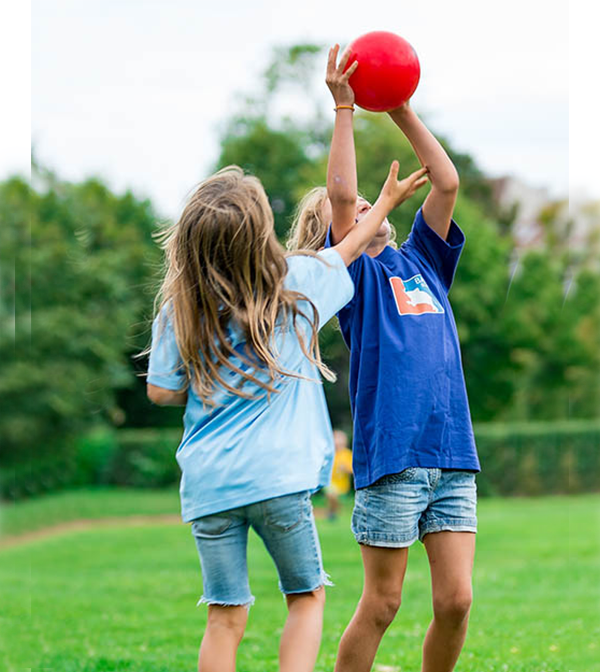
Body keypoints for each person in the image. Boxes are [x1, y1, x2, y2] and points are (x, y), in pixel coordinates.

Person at [145, 159, 427, 672]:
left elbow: (161, 392)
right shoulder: (294, 284)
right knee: (306, 597)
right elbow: (345, 249)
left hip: (209, 485)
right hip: (277, 478)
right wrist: (384, 202)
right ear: (259, 235)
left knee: (224, 616)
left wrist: (215, 376)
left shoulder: (180, 308)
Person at [289, 44, 481, 672]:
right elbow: (343, 203)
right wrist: (345, 108)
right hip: (393, 457)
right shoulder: (353, 284)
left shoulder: (423, 261)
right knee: (383, 603)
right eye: (351, 213)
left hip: (450, 453)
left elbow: (447, 182)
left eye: (375, 205)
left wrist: (399, 108)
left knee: (455, 601)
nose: (368, 207)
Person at [325, 430, 353, 520]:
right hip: (330, 482)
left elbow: (352, 470)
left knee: (333, 496)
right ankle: (332, 513)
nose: (338, 442)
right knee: (331, 494)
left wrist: (345, 468)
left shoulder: (347, 454)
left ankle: (333, 513)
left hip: (342, 485)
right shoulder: (330, 454)